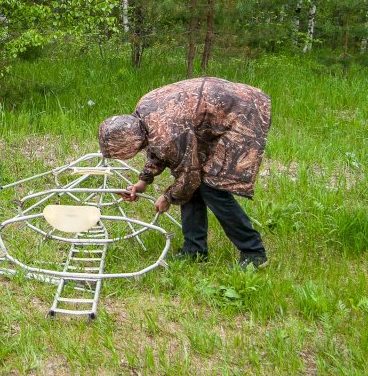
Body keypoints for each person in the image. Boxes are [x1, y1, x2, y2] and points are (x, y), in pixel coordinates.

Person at [98, 77, 271, 269]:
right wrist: (143, 181)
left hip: (243, 113)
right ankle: (194, 250)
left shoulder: (168, 135)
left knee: (212, 188)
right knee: (194, 188)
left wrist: (168, 197)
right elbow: (158, 148)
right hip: (220, 110)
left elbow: (189, 176)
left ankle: (254, 253)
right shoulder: (143, 116)